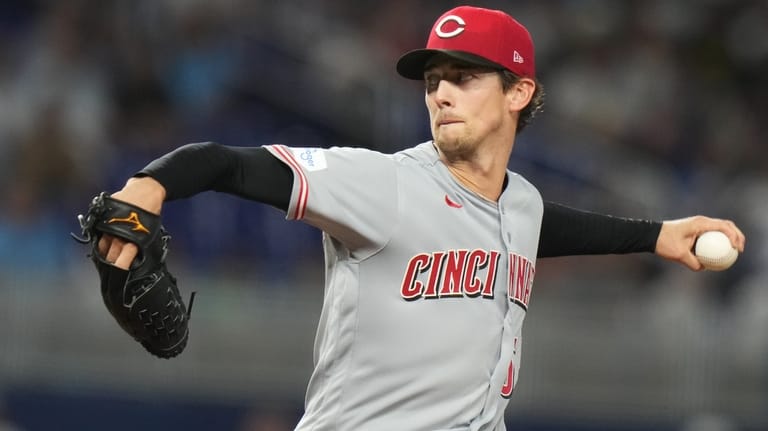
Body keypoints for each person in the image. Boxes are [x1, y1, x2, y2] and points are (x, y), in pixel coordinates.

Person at [96, 6, 745, 431]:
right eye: (435, 77)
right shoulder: (386, 183)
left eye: (464, 77)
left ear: (519, 92)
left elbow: (539, 224)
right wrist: (148, 186)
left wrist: (658, 235)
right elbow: (229, 164)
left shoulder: (517, 202)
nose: (440, 92)